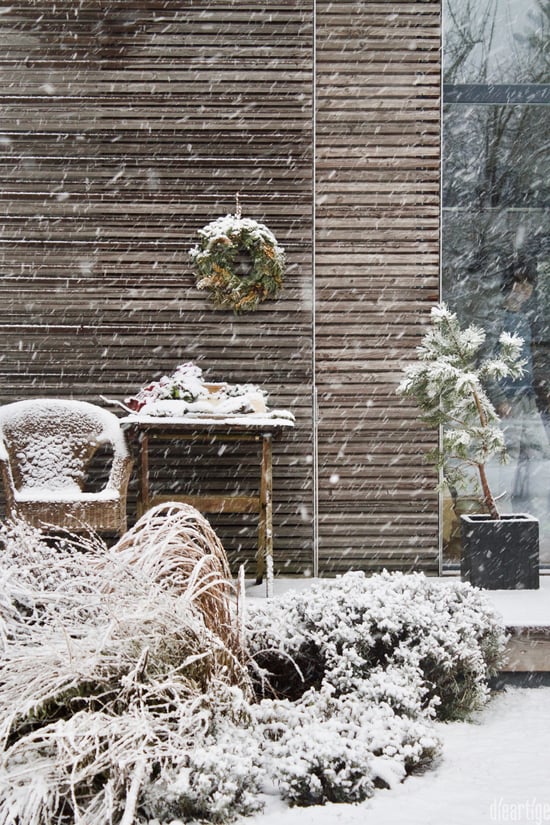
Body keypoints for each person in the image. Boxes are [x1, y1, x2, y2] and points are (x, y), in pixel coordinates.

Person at [488, 256, 550, 507]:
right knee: (508, 459)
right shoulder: (496, 318)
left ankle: (527, 513)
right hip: (508, 400)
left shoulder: (523, 319)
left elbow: (530, 360)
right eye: (519, 284)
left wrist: (541, 387)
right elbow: (484, 362)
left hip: (527, 400)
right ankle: (502, 516)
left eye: (528, 285)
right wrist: (499, 399)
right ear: (508, 285)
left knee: (535, 453)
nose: (524, 291)